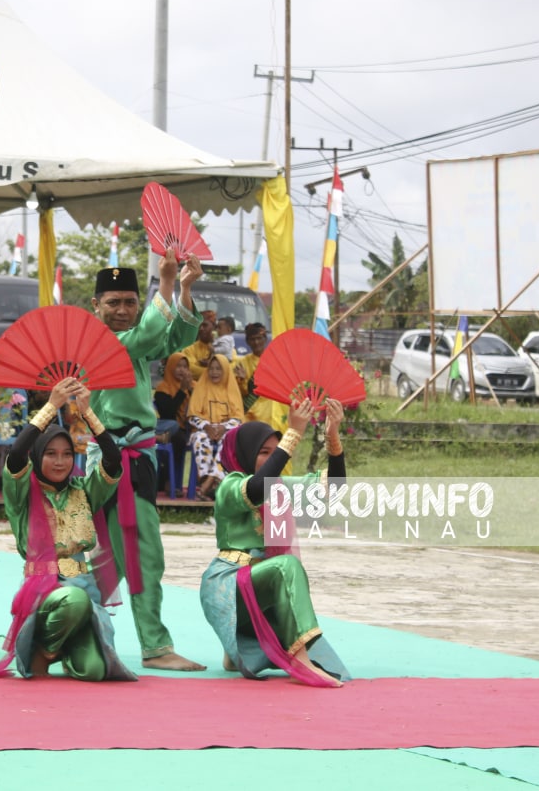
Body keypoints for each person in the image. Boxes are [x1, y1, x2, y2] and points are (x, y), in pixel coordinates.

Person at [86, 255, 206, 671]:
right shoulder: (98, 344)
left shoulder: (134, 339)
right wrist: (166, 283)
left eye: (130, 303)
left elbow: (174, 336)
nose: (122, 311)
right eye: (113, 303)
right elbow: (151, 332)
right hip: (115, 457)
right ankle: (155, 646)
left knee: (112, 559)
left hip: (139, 455)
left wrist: (185, 289)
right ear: (95, 305)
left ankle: (65, 623)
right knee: (144, 554)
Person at [0, 376, 136, 682]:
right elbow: (16, 456)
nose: (60, 462)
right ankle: (42, 649)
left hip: (85, 590)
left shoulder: (84, 490)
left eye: (67, 454)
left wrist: (88, 414)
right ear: (38, 456)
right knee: (73, 600)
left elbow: (112, 462)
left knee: (95, 671)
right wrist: (51, 406)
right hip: (45, 591)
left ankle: (69, 651)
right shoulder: (23, 495)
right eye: (51, 454)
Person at [199, 398, 348, 687]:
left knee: (283, 575)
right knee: (286, 567)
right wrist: (292, 434)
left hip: (255, 583)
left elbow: (336, 489)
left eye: (274, 452)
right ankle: (300, 660)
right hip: (226, 585)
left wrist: (333, 435)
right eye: (263, 452)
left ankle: (238, 650)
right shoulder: (230, 486)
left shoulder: (280, 489)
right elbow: (256, 490)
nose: (271, 458)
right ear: (242, 454)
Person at [187, 353, 245, 500]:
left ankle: (208, 484)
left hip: (226, 431)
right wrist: (207, 427)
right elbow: (193, 415)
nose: (214, 372)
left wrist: (223, 428)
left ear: (225, 370)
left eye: (218, 369)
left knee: (227, 441)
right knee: (199, 438)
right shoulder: (202, 386)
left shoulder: (231, 388)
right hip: (204, 430)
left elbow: (238, 418)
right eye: (211, 369)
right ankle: (207, 479)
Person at [153, 352, 192, 494]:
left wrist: (190, 390)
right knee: (177, 436)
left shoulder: (193, 386)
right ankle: (171, 482)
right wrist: (181, 391)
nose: (182, 370)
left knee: (181, 438)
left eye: (185, 367)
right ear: (170, 367)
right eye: (178, 366)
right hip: (168, 427)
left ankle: (174, 482)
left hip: (187, 429)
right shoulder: (162, 388)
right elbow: (168, 413)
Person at [234, 323, 276, 424]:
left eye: (259, 338)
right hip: (249, 410)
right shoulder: (242, 362)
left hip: (270, 409)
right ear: (248, 342)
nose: (256, 342)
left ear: (265, 339)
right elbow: (240, 393)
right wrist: (242, 380)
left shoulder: (275, 360)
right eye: (252, 339)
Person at [180, 310, 217, 380]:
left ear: (214, 328)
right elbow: (189, 368)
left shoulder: (224, 347)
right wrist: (215, 372)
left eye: (205, 325)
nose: (201, 329)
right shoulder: (189, 349)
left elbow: (230, 367)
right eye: (199, 326)